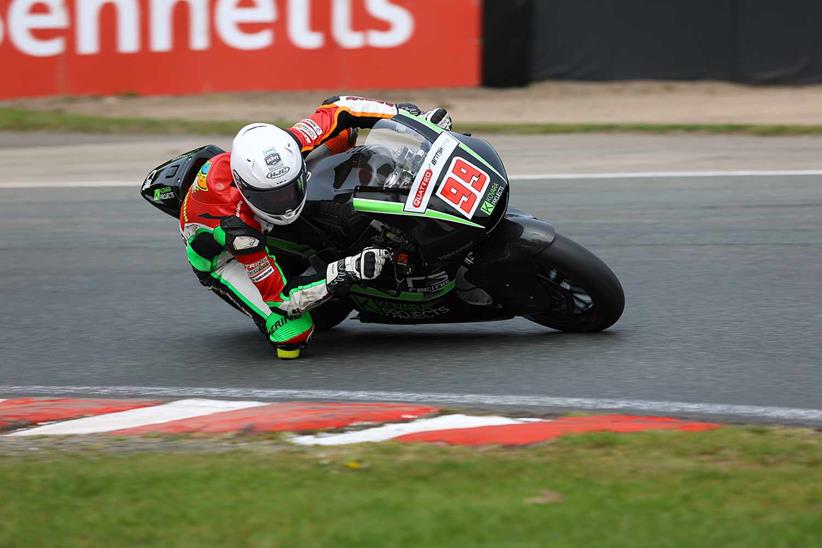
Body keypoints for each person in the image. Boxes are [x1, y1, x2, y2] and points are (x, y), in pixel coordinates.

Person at [179, 96, 452, 359]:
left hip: (254, 207)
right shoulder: (240, 234)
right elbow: (282, 299)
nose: (286, 202)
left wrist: (411, 119)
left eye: (289, 189)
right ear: (245, 188)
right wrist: (347, 269)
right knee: (292, 333)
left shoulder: (291, 145)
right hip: (223, 259)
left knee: (343, 137)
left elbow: (341, 107)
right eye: (272, 197)